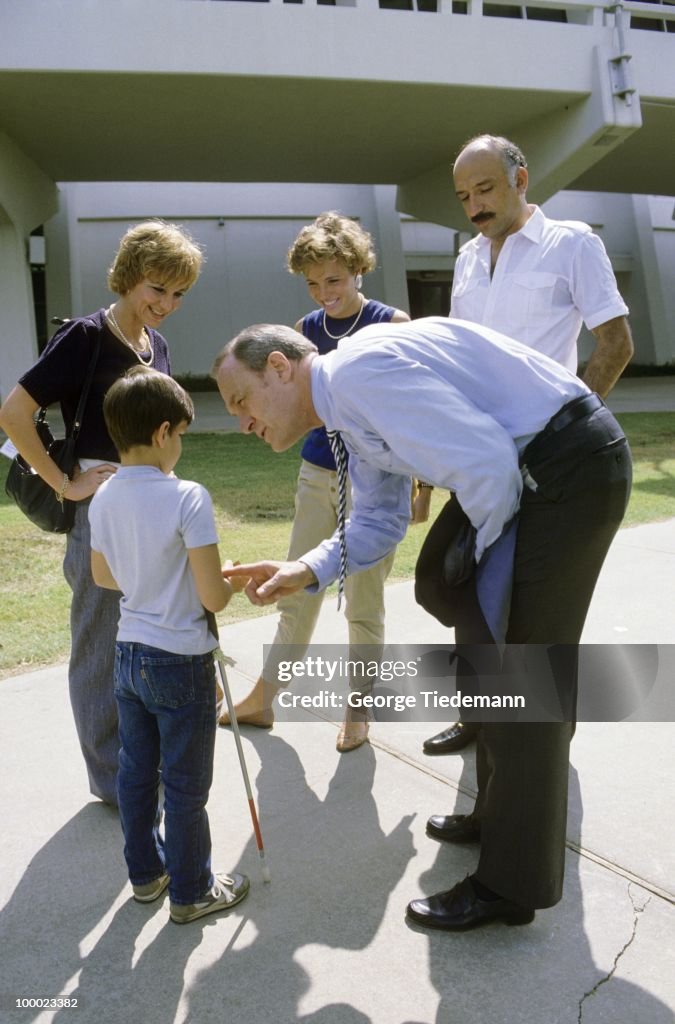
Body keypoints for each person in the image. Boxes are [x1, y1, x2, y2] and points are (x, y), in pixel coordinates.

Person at [212, 317, 631, 930]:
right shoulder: (345, 406)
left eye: (241, 400)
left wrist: (496, 585)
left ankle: (510, 887)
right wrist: (306, 568)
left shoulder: (358, 376)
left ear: (279, 366)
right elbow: (380, 519)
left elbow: (488, 467)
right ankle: (495, 812)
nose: (242, 421)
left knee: (517, 676)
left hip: (566, 470)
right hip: (533, 473)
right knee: (471, 629)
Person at [420, 133, 634, 756]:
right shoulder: (465, 259)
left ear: (521, 179)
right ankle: (478, 718)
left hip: (546, 458)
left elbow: (615, 344)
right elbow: (454, 359)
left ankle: (540, 745)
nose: (474, 206)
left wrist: (568, 431)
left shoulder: (573, 244)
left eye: (485, 189)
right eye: (463, 196)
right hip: (476, 458)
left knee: (535, 608)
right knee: (459, 589)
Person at [0, 220, 203, 804]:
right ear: (130, 277)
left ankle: (140, 763)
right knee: (98, 638)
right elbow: (14, 413)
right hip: (102, 505)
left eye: (177, 293)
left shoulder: (154, 346)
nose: (166, 303)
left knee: (142, 633)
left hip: (152, 500)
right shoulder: (87, 336)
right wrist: (65, 482)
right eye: (156, 288)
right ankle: (113, 781)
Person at [217, 212, 409, 753]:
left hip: (377, 481)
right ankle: (264, 696)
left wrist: (420, 489)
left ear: (358, 271)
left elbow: (407, 417)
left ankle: (359, 708)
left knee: (364, 601)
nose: (324, 292)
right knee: (295, 588)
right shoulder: (303, 331)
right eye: (313, 281)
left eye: (335, 279)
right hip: (317, 472)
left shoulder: (391, 323)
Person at [89, 366, 249, 923]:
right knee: (185, 785)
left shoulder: (104, 497)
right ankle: (193, 891)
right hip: (180, 659)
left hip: (128, 652)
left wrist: (155, 571)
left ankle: (147, 875)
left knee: (136, 775)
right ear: (162, 433)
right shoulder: (188, 496)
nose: (180, 443)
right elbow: (215, 597)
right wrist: (226, 578)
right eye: (179, 433)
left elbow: (106, 578)